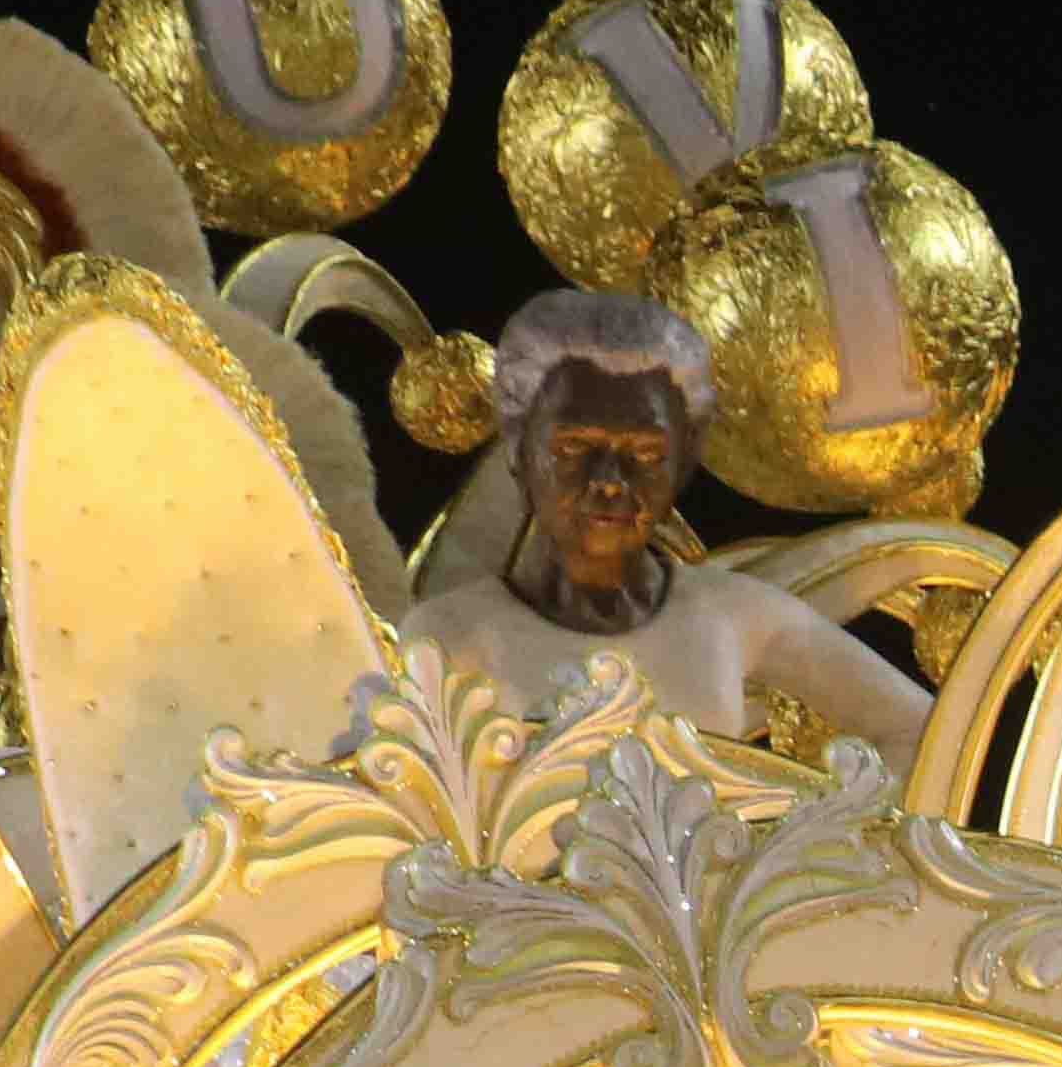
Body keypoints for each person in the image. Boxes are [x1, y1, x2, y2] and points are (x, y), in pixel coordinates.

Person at [400, 286, 938, 756]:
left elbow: (920, 733)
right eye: (576, 447)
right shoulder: (448, 635)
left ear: (683, 464)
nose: (610, 479)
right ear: (519, 451)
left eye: (646, 452)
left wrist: (813, 855)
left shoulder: (733, 615)